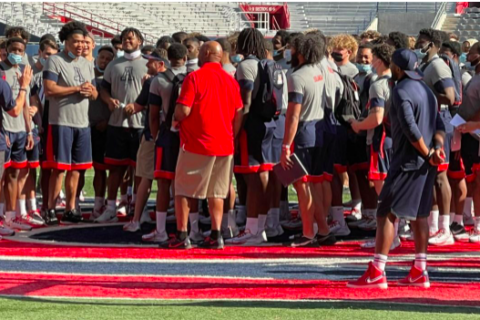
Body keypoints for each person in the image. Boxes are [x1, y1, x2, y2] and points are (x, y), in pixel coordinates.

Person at [348, 48, 445, 289]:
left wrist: (428, 152)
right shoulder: (427, 91)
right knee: (420, 215)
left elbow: (411, 129)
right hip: (426, 162)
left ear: (399, 69)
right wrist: (436, 148)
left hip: (408, 161)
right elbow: (440, 124)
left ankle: (378, 270)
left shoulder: (401, 91)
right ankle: (420, 270)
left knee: (386, 213)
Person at [163, 41, 243, 249]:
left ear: (206, 53)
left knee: (183, 189)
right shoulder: (230, 80)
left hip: (197, 143)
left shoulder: (194, 77)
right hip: (224, 143)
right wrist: (230, 135)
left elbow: (184, 111)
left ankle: (182, 234)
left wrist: (175, 117)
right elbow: (239, 113)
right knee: (217, 191)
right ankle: (216, 234)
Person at [280, 33, 335, 247]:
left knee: (303, 188)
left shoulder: (297, 76)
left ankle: (308, 232)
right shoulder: (319, 71)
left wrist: (285, 145)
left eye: (293, 49)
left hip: (302, 133)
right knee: (312, 186)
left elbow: (294, 114)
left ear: (300, 52)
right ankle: (322, 229)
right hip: (318, 129)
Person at [43, 21, 97, 225]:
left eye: (83, 41)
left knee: (78, 168)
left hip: (82, 123)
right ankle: (49, 208)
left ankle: (70, 208)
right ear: (66, 42)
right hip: (61, 122)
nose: (81, 45)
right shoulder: (55, 61)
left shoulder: (86, 63)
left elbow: (94, 92)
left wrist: (92, 92)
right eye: (76, 41)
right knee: (59, 168)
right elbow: (49, 90)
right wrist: (76, 89)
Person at [97, 27, 147, 223]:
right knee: (115, 168)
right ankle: (110, 207)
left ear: (140, 41)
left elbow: (155, 93)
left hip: (140, 124)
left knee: (139, 170)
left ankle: (138, 208)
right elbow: (104, 90)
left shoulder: (148, 64)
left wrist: (138, 106)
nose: (127, 41)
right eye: (125, 38)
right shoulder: (113, 65)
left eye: (131, 38)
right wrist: (109, 101)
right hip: (117, 123)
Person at [227, 28, 271, 245]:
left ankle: (252, 229)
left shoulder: (246, 66)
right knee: (262, 176)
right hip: (269, 124)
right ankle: (260, 226)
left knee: (252, 177)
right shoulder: (270, 64)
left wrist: (234, 132)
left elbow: (245, 104)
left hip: (251, 124)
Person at [415, 28, 456, 246]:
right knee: (430, 177)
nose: (418, 46)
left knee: (440, 177)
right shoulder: (427, 65)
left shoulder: (438, 65)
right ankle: (433, 226)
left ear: (432, 44)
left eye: (422, 42)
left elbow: (450, 97)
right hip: (429, 124)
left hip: (439, 124)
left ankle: (445, 228)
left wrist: (423, 96)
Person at [122, 49, 169, 234]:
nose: (147, 64)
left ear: (161, 63)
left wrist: (122, 107)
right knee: (169, 182)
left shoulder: (153, 81)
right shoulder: (182, 77)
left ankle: (137, 218)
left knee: (144, 177)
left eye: (151, 61)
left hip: (153, 136)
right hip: (175, 136)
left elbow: (140, 107)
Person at [148, 43, 190, 243]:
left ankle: (161, 229)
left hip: (166, 134)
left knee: (163, 183)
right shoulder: (193, 77)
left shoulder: (158, 80)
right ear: (186, 57)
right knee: (189, 184)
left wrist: (156, 135)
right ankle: (193, 227)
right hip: (188, 135)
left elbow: (153, 114)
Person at [0, 38, 36, 230]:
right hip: (5, 130)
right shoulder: (1, 71)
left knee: (15, 174)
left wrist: (29, 130)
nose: (16, 53)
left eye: (20, 50)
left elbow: (26, 104)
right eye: (13, 49)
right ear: (6, 50)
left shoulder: (23, 71)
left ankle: (11, 216)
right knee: (2, 176)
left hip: (20, 130)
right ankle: (1, 216)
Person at [30, 39, 59, 221]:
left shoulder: (58, 71)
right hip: (36, 125)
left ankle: (50, 205)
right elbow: (34, 101)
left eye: (53, 55)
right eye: (47, 54)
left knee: (53, 166)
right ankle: (31, 205)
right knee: (33, 166)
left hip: (54, 123)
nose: (50, 58)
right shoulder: (33, 74)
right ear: (40, 53)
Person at [455, 41, 480, 243]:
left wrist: (472, 123)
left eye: (471, 53)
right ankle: (474, 220)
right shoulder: (476, 76)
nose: (468, 56)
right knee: (475, 178)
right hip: (472, 132)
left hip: (475, 131)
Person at [88, 45, 114, 220]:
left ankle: (109, 203)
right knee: (96, 169)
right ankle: (97, 205)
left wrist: (109, 121)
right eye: (102, 57)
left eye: (108, 59)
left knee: (111, 169)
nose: (104, 61)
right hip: (89, 127)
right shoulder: (88, 75)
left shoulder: (114, 77)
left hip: (109, 127)